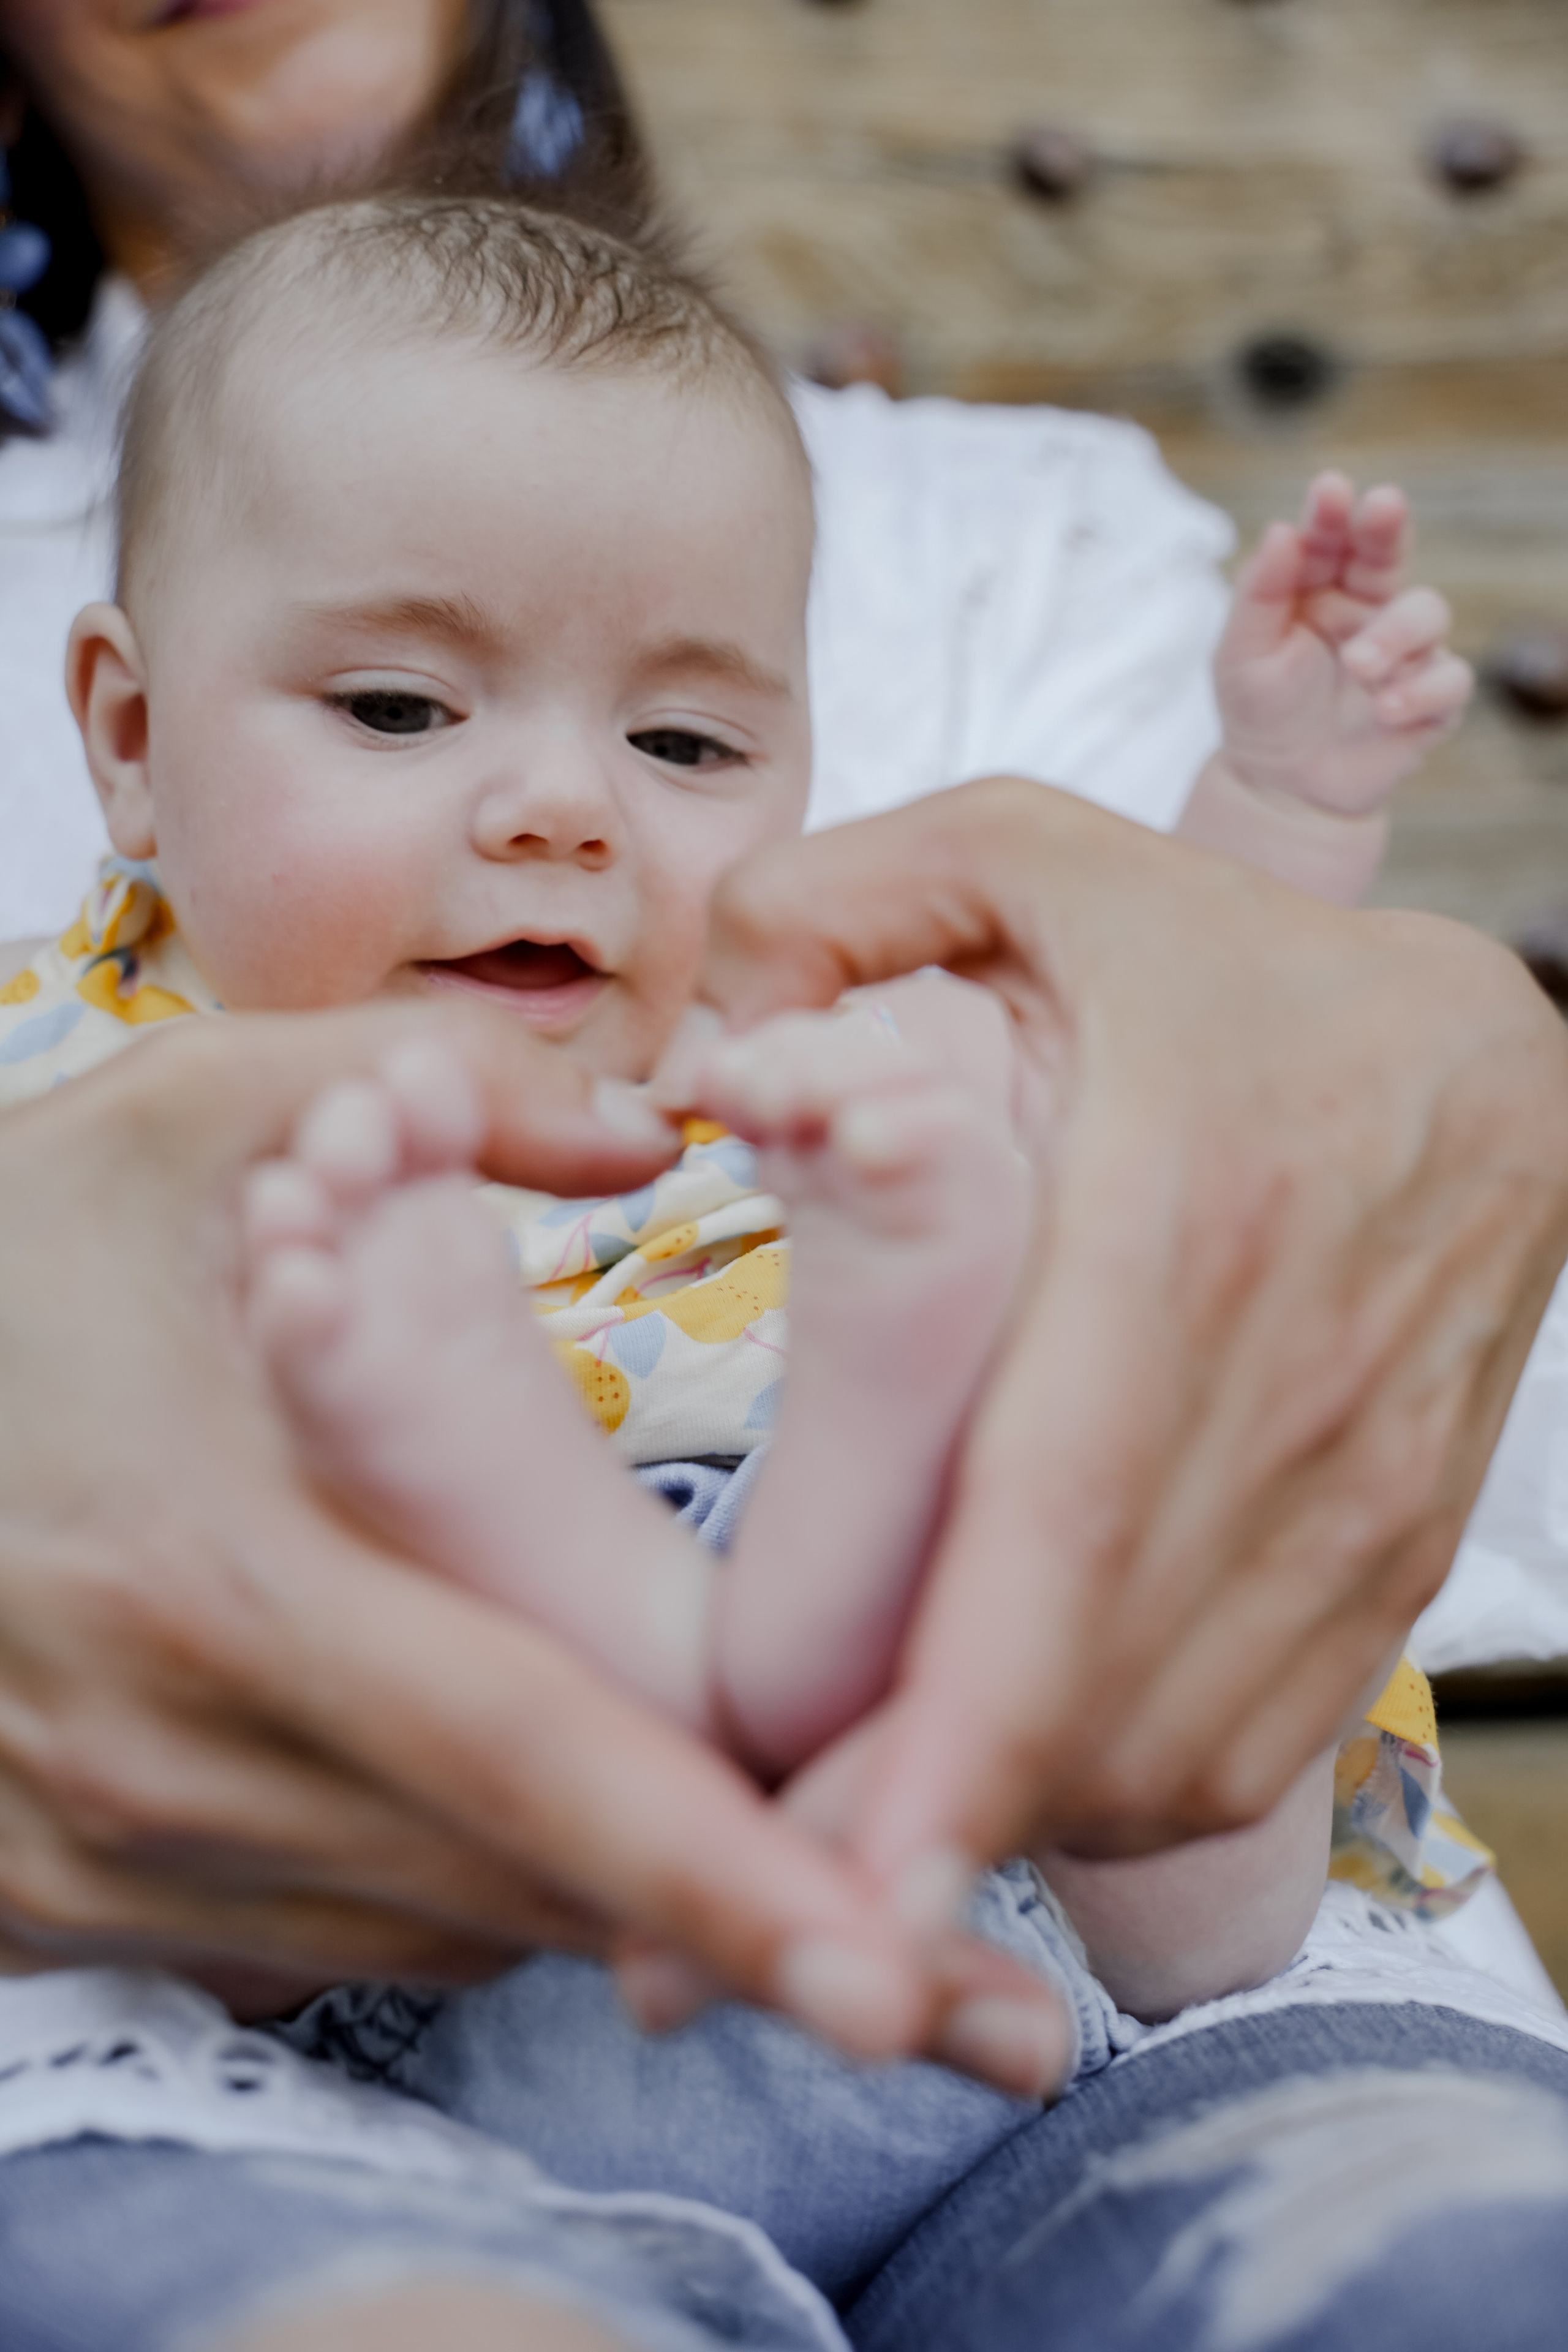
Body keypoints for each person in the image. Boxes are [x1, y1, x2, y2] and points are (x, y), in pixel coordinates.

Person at [0, 186, 1540, 2352]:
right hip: (350, 1968)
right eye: (398, 708)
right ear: (131, 742)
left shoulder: (807, 1074)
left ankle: (941, 1506)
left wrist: (1278, 805)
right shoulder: (52, 1101)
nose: (559, 808)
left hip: (974, 1920)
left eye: (688, 745)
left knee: (1086, 1300)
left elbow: (1188, 1054)